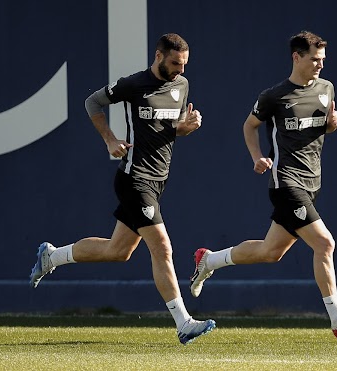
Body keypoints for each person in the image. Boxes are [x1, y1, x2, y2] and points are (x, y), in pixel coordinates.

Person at [29, 33, 215, 345]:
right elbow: (92, 102)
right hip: (134, 178)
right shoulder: (133, 84)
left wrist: (185, 127)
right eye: (174, 63)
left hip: (158, 180)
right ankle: (184, 323)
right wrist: (110, 139)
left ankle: (52, 257)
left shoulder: (181, 85)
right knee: (163, 248)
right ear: (158, 56)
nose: (180, 70)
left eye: (184, 64)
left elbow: (168, 129)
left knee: (119, 251)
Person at [189, 31, 337, 339]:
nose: (319, 65)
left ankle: (209, 260)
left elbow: (323, 124)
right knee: (325, 243)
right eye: (314, 59)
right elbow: (249, 126)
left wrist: (331, 124)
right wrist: (257, 156)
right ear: (296, 57)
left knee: (270, 251)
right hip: (286, 182)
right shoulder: (274, 96)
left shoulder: (327, 89)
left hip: (312, 182)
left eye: (323, 60)